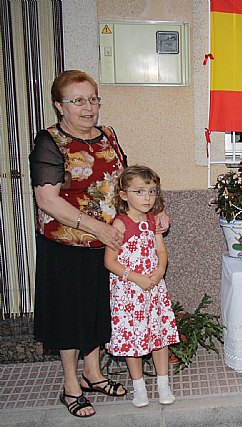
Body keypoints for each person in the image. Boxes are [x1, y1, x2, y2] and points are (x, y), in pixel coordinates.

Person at [28, 70, 168, 418]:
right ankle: (71, 385)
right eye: (78, 100)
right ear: (60, 106)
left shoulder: (108, 135)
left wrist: (154, 213)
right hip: (67, 244)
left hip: (110, 242)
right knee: (70, 315)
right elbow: (47, 200)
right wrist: (96, 228)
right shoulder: (50, 142)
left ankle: (93, 373)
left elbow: (128, 183)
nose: (88, 107)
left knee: (96, 311)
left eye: (92, 98)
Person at [105, 165, 179, 408]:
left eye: (152, 192)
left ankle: (163, 384)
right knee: (132, 339)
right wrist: (137, 278)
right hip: (129, 291)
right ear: (124, 195)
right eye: (140, 192)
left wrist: (159, 273)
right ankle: (139, 388)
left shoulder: (152, 220)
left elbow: (160, 249)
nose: (147, 198)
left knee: (159, 336)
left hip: (154, 287)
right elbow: (110, 261)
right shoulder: (120, 224)